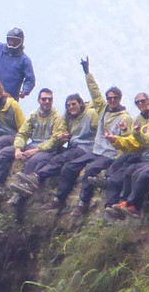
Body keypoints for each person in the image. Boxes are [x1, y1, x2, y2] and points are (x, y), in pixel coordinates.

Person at [51, 58, 134, 215]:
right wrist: (87, 73)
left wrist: (119, 159)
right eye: (109, 98)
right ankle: (59, 198)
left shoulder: (125, 117)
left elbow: (128, 140)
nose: (111, 100)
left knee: (90, 170)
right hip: (96, 151)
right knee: (70, 166)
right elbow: (95, 93)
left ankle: (83, 203)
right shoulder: (103, 109)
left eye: (114, 98)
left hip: (110, 154)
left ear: (120, 98)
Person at [0, 88, 66, 196]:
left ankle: (23, 187)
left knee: (34, 159)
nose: (47, 102)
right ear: (39, 100)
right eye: (44, 99)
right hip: (32, 145)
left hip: (48, 150)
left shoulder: (57, 117)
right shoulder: (33, 115)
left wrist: (35, 150)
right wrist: (17, 149)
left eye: (50, 99)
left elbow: (54, 141)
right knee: (5, 152)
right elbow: (23, 133)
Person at [13, 92, 98, 197]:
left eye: (73, 104)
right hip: (73, 146)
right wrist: (60, 136)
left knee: (62, 159)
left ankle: (37, 176)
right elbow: (60, 131)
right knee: (50, 156)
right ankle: (26, 185)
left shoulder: (91, 114)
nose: (71, 107)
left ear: (80, 104)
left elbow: (100, 129)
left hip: (86, 147)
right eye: (68, 105)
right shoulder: (68, 117)